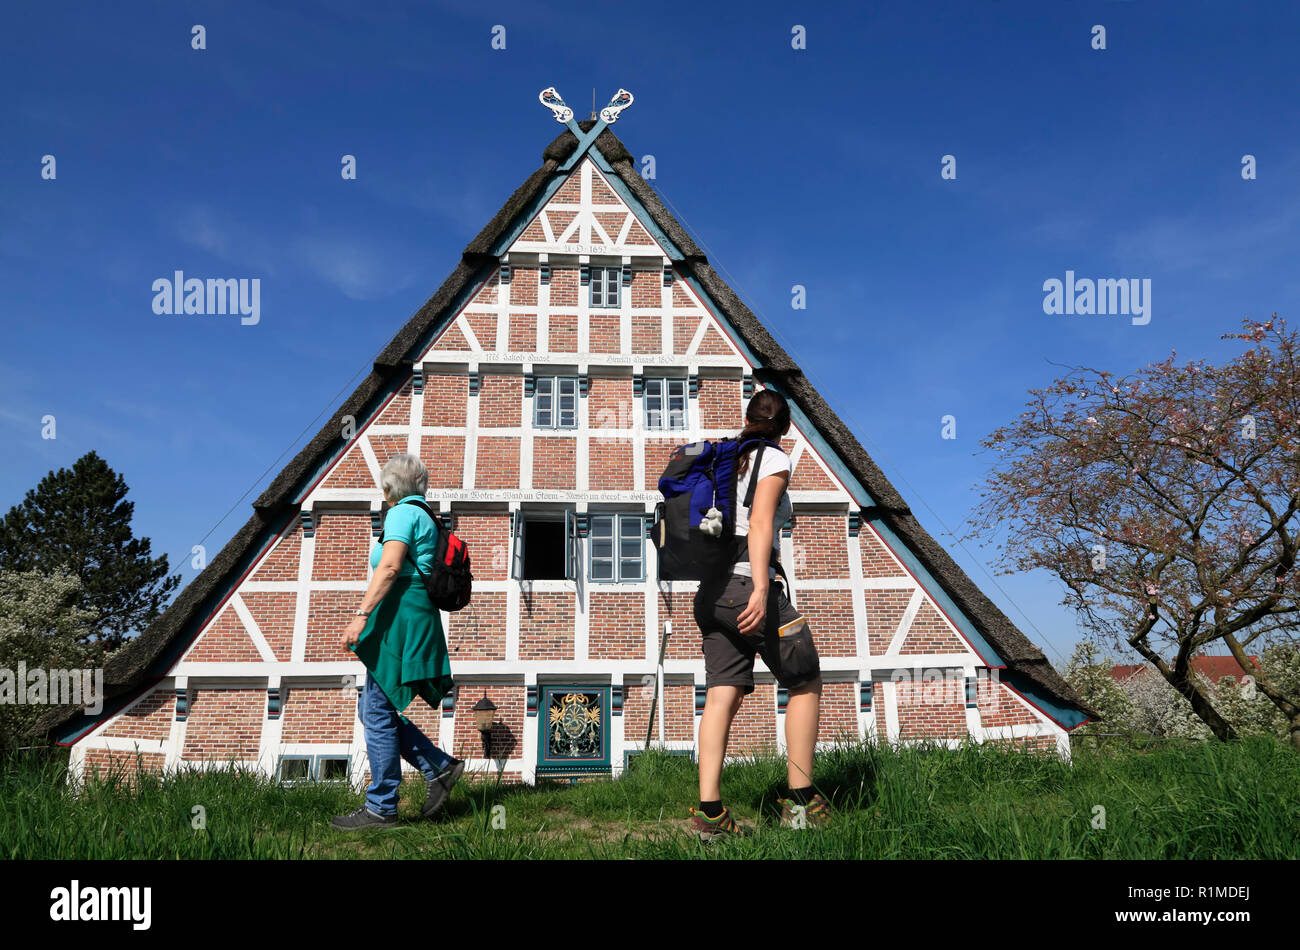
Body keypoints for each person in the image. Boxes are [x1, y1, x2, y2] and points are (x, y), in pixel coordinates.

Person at [689, 389, 830, 839]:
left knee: (721, 694)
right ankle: (801, 802)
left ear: (748, 419)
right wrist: (762, 587)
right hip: (746, 586)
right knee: (804, 677)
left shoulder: (721, 457)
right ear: (785, 426)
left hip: (709, 595)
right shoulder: (772, 458)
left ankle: (709, 813)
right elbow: (761, 523)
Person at [332, 453, 463, 829]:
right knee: (375, 709)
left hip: (401, 618)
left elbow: (389, 567)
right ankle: (438, 767)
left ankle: (382, 806)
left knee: (375, 709)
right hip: (411, 616)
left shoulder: (403, 513)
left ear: (388, 488)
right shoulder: (425, 514)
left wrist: (360, 616)